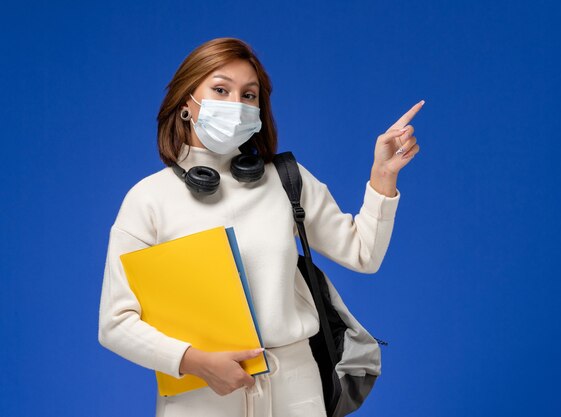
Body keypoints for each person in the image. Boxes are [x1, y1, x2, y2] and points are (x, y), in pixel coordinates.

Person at [98, 37, 424, 417]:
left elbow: (362, 254)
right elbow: (115, 324)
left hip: (296, 387)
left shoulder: (286, 180)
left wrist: (383, 177)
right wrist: (194, 361)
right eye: (221, 89)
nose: (236, 105)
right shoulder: (149, 199)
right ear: (187, 102)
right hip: (201, 394)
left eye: (249, 95)